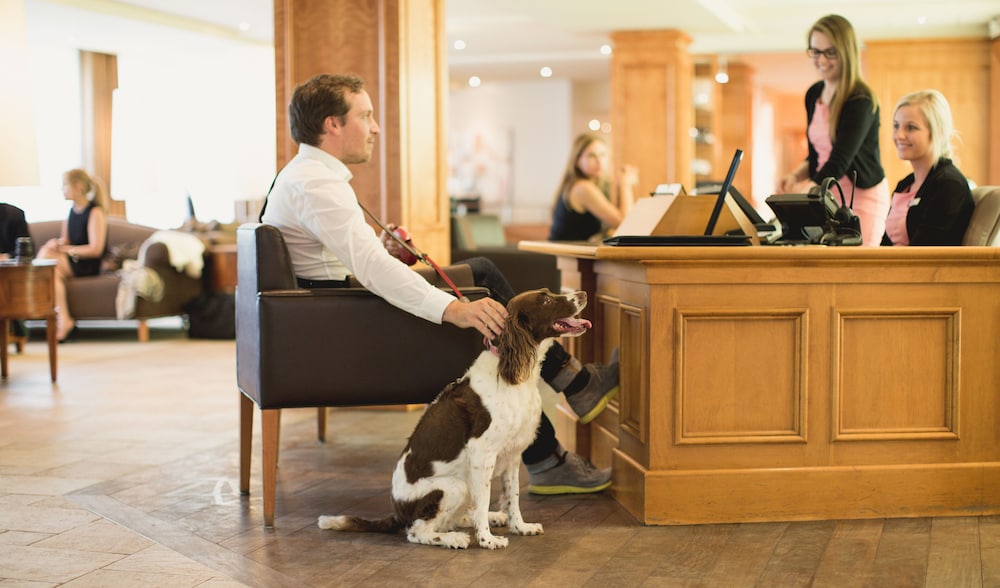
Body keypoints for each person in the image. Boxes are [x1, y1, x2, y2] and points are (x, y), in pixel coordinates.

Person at [261, 73, 619, 494]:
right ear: (332, 124)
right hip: (348, 322)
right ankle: (560, 428)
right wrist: (454, 309)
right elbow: (371, 269)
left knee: (481, 273)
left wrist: (384, 248)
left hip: (338, 307)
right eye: (366, 116)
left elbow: (346, 259)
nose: (376, 128)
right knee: (487, 318)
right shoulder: (317, 183)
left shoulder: (308, 174)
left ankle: (569, 402)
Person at [778, 14, 890, 246]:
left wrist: (807, 192)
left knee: (856, 262)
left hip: (862, 197)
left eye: (830, 52)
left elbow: (839, 160)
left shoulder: (860, 99)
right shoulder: (813, 94)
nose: (821, 60)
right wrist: (795, 176)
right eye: (815, 51)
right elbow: (817, 156)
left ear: (846, 52)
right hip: (827, 195)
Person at [882, 90, 974, 246]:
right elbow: (885, 246)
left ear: (937, 131)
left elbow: (925, 252)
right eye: (896, 126)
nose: (899, 135)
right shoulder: (906, 184)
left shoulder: (948, 185)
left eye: (911, 127)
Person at [36, 169, 109, 341]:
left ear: (77, 187)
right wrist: (57, 244)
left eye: (64, 185)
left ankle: (35, 295)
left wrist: (67, 250)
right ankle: (65, 320)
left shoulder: (95, 212)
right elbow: (67, 240)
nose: (62, 189)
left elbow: (96, 249)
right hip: (73, 260)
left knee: (46, 257)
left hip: (88, 263)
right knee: (52, 271)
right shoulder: (71, 211)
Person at [548, 133, 638, 242]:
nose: (599, 161)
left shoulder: (594, 185)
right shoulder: (582, 188)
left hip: (572, 251)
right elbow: (625, 223)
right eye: (591, 156)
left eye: (603, 155)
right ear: (577, 161)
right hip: (564, 252)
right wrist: (625, 184)